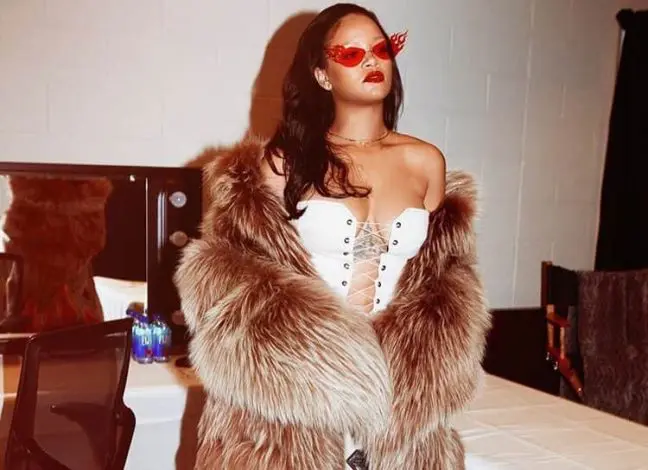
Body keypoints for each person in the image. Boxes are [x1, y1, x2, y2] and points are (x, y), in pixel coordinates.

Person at [174, 3, 490, 469]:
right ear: (322, 75)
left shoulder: (425, 162)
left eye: (381, 49)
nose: (371, 61)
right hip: (295, 390)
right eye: (351, 54)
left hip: (394, 393)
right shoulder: (283, 163)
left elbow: (438, 276)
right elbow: (232, 272)